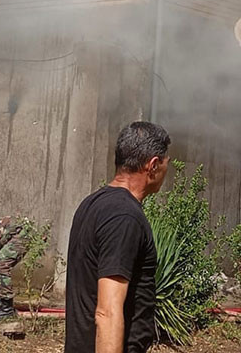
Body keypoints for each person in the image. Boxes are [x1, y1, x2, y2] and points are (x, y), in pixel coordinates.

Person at [65, 121, 170, 353]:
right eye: (165, 164)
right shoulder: (124, 217)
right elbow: (107, 312)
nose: (165, 172)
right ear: (152, 165)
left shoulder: (92, 204)